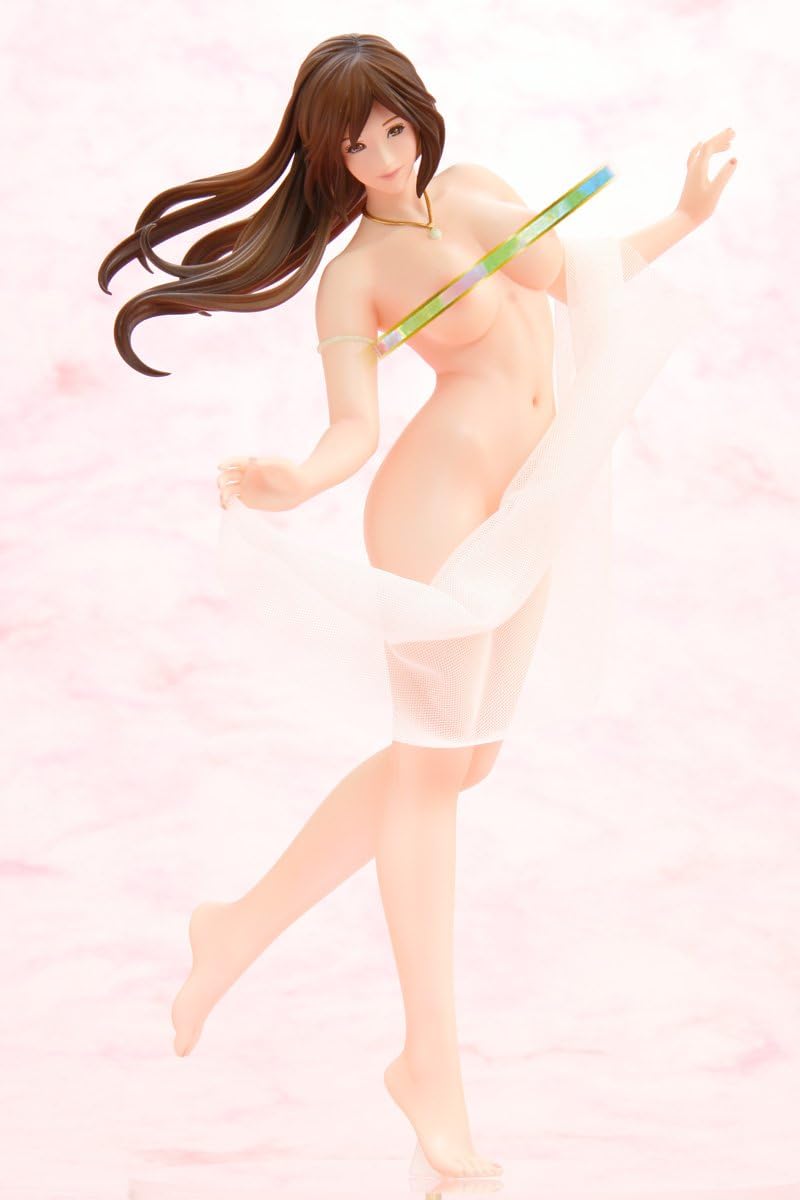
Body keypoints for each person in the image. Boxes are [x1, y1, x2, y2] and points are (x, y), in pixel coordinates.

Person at [98, 32, 736, 1183]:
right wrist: (294, 479)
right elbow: (352, 427)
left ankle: (235, 926)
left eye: (393, 129)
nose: (385, 158)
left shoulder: (481, 195)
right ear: (329, 160)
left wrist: (683, 218)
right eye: (358, 147)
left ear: (416, 118)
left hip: (526, 498)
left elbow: (580, 272)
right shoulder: (354, 278)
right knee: (433, 770)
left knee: (453, 763)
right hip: (435, 504)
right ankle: (426, 1068)